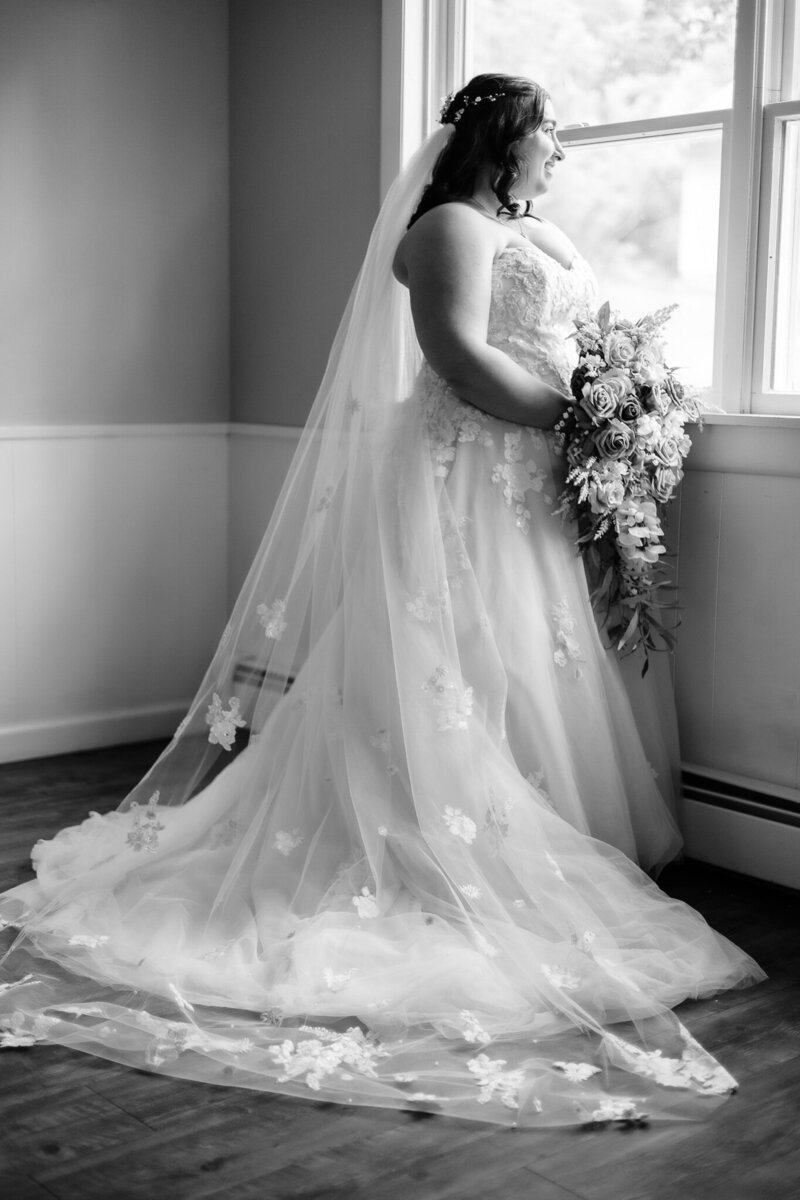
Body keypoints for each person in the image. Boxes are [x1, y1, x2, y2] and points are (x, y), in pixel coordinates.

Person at [0, 74, 764, 1128]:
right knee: (452, 660)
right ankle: (433, 843)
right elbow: (459, 357)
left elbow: (558, 342)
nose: (560, 155)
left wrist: (619, 405)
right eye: (549, 136)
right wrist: (585, 415)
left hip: (529, 481)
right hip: (467, 476)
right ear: (502, 140)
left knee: (523, 663)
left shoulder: (534, 232)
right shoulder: (447, 226)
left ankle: (539, 830)